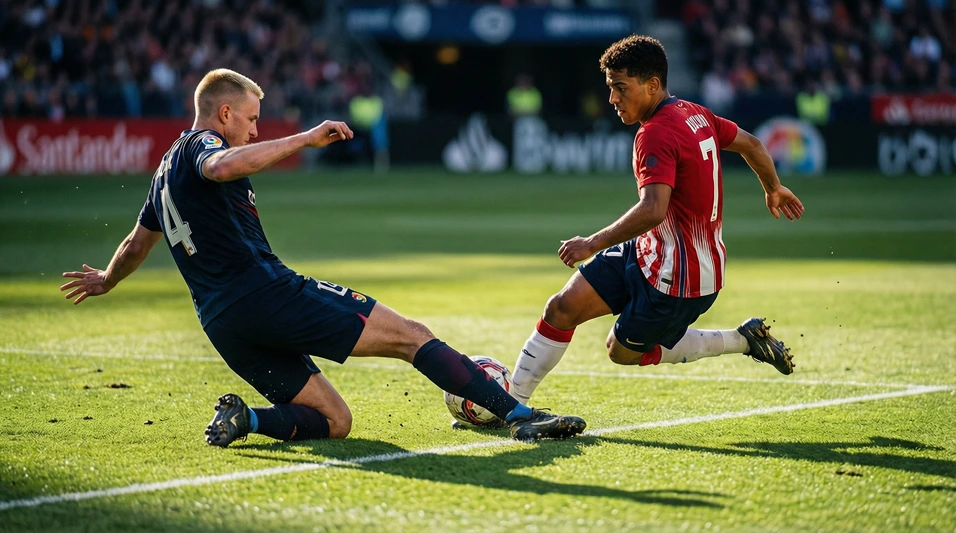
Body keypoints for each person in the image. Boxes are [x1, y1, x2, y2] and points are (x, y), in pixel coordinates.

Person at [59, 68, 586, 446]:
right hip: (265, 294)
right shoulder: (201, 148)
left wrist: (107, 279)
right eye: (250, 119)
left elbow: (135, 244)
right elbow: (221, 167)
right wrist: (305, 139)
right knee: (411, 336)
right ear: (224, 113)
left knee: (335, 420)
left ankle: (251, 421)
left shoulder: (163, 172)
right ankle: (520, 413)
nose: (255, 130)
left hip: (222, 323)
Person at [508, 36, 805, 405]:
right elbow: (753, 144)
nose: (613, 99)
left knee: (621, 351)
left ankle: (741, 340)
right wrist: (773, 187)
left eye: (620, 88)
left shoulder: (655, 133)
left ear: (652, 85)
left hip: (680, 279)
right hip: (650, 251)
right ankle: (509, 403)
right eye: (610, 88)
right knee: (561, 307)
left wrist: (592, 243)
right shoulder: (696, 113)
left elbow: (653, 209)